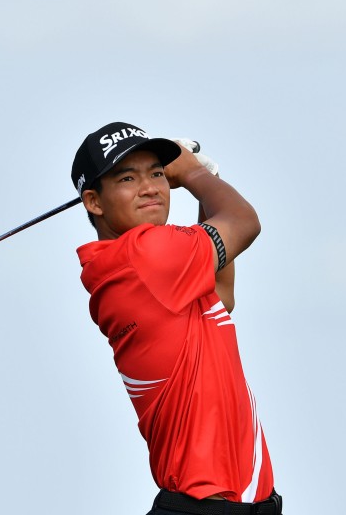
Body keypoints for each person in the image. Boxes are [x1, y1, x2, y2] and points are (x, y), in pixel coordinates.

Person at [71, 122, 281, 515]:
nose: (150, 187)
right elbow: (243, 221)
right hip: (202, 508)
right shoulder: (146, 255)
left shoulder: (145, 269)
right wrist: (195, 173)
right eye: (127, 178)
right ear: (94, 202)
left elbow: (221, 293)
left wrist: (207, 179)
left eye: (156, 173)